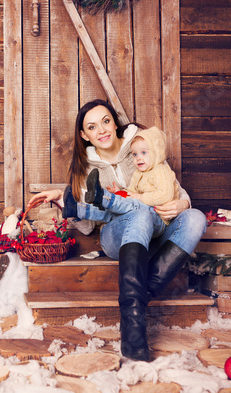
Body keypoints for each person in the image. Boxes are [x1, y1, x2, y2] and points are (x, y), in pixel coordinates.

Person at [28, 99, 207, 362]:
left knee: (195, 218)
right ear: (84, 135)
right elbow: (88, 228)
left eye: (106, 121)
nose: (101, 130)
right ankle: (135, 330)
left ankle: (134, 309)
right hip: (117, 238)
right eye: (92, 127)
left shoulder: (140, 146)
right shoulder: (85, 169)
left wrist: (183, 202)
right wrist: (63, 199)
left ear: (114, 121)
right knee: (139, 214)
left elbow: (170, 184)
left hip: (158, 233)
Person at [79, 126, 179, 230]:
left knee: (131, 205)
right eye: (135, 154)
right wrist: (120, 192)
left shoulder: (160, 170)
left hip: (160, 218)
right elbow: (131, 193)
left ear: (156, 152)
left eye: (144, 152)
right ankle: (79, 210)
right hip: (142, 215)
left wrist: (139, 197)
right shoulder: (138, 173)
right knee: (112, 214)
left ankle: (102, 197)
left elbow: (165, 195)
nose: (138, 158)